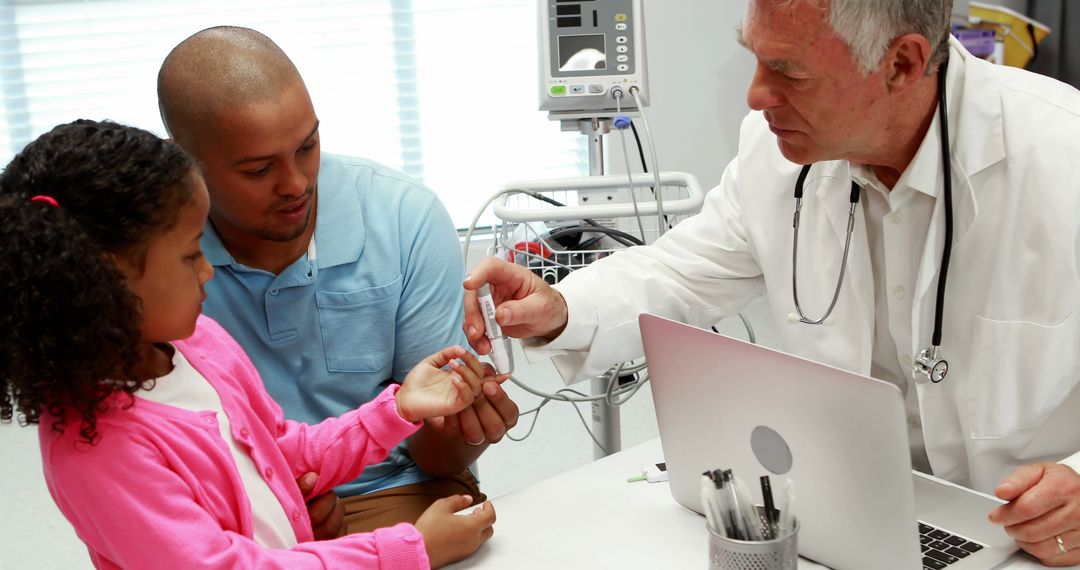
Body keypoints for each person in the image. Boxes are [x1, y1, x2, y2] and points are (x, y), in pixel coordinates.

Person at [463, 0, 1080, 565]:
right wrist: (561, 307)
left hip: (1023, 539)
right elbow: (680, 269)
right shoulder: (773, 151)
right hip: (840, 520)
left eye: (790, 72)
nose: (756, 96)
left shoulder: (1061, 156)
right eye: (754, 57)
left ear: (903, 63)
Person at [0, 120, 501, 568]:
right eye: (191, 253)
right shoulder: (95, 450)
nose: (207, 270)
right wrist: (407, 550)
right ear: (108, 280)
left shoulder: (198, 344)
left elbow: (281, 448)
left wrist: (398, 408)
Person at [156, 27, 519, 537]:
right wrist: (281, 503)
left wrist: (467, 428)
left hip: (388, 491)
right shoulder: (157, 261)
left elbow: (437, 458)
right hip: (235, 504)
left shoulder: (403, 218)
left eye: (307, 147)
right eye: (260, 170)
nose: (298, 184)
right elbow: (161, 452)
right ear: (184, 162)